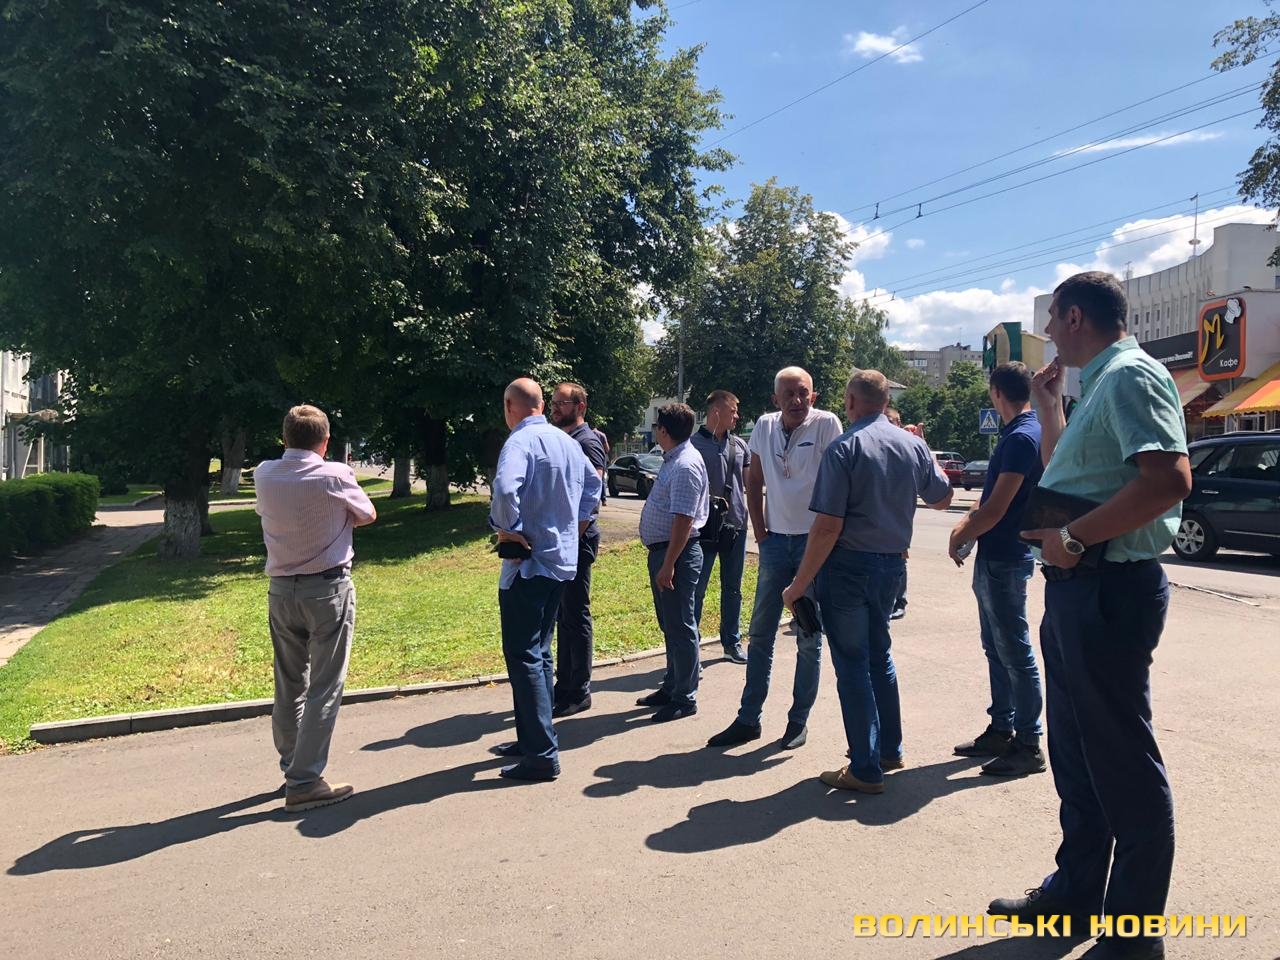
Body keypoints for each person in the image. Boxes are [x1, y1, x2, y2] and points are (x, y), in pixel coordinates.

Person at [988, 272, 1190, 960]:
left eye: (1052, 319)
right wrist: (1049, 409)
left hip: (1109, 588)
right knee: (1077, 756)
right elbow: (1069, 476)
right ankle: (1076, 893)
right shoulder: (1098, 384)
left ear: (1075, 317)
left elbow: (1169, 481)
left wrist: (1073, 540)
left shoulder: (1130, 376)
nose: (1047, 333)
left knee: (1122, 764)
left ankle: (1132, 937)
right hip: (1079, 589)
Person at [782, 371, 952, 794]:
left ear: (852, 402)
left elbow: (827, 527)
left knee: (853, 664)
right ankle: (889, 750)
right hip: (892, 567)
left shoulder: (845, 447)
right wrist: (924, 448)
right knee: (880, 657)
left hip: (848, 569)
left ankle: (865, 768)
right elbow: (943, 497)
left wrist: (798, 584)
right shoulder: (912, 445)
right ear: (885, 401)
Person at [706, 366, 842, 751]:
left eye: (803, 393)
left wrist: (829, 537)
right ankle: (748, 719)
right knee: (760, 633)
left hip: (813, 546)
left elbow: (839, 482)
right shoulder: (764, 426)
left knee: (808, 636)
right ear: (775, 399)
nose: (797, 401)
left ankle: (798, 722)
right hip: (776, 544)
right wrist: (762, 534)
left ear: (813, 395)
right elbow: (754, 481)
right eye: (789, 395)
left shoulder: (826, 424)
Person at [254, 404, 377, 812]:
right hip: (327, 589)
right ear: (325, 442)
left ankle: (293, 765)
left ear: (284, 438)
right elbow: (368, 514)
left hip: (280, 590)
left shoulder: (264, 474)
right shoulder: (335, 475)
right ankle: (305, 781)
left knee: (289, 683)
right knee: (325, 685)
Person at [489, 378, 602, 781]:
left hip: (529, 564)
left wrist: (508, 530)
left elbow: (505, 489)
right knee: (540, 650)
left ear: (510, 406)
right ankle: (533, 738)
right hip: (559, 562)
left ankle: (540, 754)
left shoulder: (520, 441)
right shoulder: (566, 442)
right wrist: (572, 531)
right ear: (541, 404)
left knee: (524, 655)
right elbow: (594, 487)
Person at [948, 362, 1046, 777]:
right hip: (999, 555)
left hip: (1007, 556)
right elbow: (988, 498)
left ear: (996, 393)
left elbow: (997, 508)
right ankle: (1002, 729)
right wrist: (968, 522)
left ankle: (1029, 743)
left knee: (1015, 652)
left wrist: (960, 533)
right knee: (997, 647)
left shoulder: (1022, 437)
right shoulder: (1019, 432)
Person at [635, 402, 709, 722]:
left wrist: (669, 565)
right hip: (666, 553)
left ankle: (684, 697)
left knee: (681, 626)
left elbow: (684, 520)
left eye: (657, 427)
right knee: (670, 625)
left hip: (676, 554)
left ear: (663, 430)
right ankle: (672, 686)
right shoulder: (674, 459)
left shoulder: (684, 465)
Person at [548, 382, 607, 717]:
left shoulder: (587, 442)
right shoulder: (567, 439)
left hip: (578, 542)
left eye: (562, 403)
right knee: (564, 615)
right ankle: (565, 683)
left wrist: (570, 539)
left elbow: (591, 498)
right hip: (566, 541)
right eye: (553, 402)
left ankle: (579, 690)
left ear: (580, 406)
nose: (555, 408)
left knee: (576, 613)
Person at [690, 389, 751, 665]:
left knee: (733, 588)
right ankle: (691, 646)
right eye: (733, 411)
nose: (737, 416)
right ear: (716, 411)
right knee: (697, 589)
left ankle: (731, 642)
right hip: (703, 528)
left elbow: (750, 484)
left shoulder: (740, 446)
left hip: (736, 526)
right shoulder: (692, 445)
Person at [885, 406, 913, 621]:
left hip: (899, 511)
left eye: (892, 421)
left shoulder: (906, 446)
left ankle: (899, 602)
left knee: (900, 556)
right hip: (879, 509)